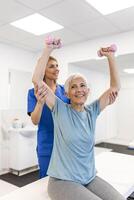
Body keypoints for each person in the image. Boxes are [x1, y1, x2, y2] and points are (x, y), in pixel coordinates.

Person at [32, 38, 125, 200]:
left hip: (88, 178)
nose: (79, 90)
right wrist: (48, 50)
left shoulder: (92, 110)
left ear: (88, 91)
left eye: (82, 86)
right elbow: (37, 81)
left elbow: (115, 87)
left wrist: (110, 57)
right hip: (62, 181)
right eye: (73, 87)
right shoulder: (59, 109)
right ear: (66, 93)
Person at [27, 43, 70, 178]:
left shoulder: (65, 91)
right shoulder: (32, 92)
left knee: (65, 180)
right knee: (45, 181)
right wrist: (40, 102)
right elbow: (35, 121)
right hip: (46, 144)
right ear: (43, 70)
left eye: (57, 66)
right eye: (51, 66)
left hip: (65, 144)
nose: (56, 69)